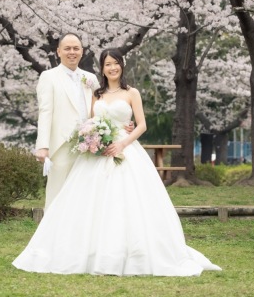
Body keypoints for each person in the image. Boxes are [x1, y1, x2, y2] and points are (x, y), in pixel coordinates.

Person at [14, 48, 221, 276]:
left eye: (116, 63)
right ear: (102, 69)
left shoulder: (132, 92)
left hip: (125, 149)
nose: (112, 68)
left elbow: (142, 125)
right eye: (108, 64)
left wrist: (123, 143)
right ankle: (88, 251)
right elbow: (91, 121)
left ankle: (132, 252)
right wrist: (93, 138)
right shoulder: (97, 93)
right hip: (98, 153)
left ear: (122, 66)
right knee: (89, 202)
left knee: (127, 200)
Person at [35, 33, 98, 210]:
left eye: (76, 48)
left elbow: (100, 107)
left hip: (89, 145)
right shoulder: (48, 76)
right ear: (58, 51)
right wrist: (42, 145)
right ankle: (51, 228)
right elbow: (45, 112)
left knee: (85, 195)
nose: (72, 52)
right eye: (67, 48)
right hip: (61, 144)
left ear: (82, 51)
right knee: (57, 195)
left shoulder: (91, 78)